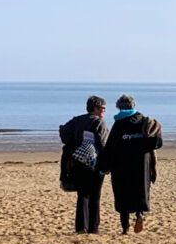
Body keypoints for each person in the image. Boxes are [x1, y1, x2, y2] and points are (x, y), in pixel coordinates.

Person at [97, 94, 163, 234]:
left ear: (119, 107)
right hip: (142, 164)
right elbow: (157, 143)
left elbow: (110, 147)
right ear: (133, 106)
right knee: (140, 191)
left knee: (123, 195)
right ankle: (139, 214)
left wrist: (103, 167)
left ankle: (125, 228)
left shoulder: (119, 124)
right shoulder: (145, 121)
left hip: (122, 166)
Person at [59, 95, 109, 234]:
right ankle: (93, 227)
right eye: (102, 108)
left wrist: (75, 143)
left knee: (82, 194)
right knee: (95, 195)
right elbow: (103, 144)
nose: (104, 111)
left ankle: (81, 227)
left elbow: (64, 133)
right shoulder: (100, 123)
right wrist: (106, 164)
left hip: (76, 160)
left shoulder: (77, 120)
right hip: (94, 163)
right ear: (95, 108)